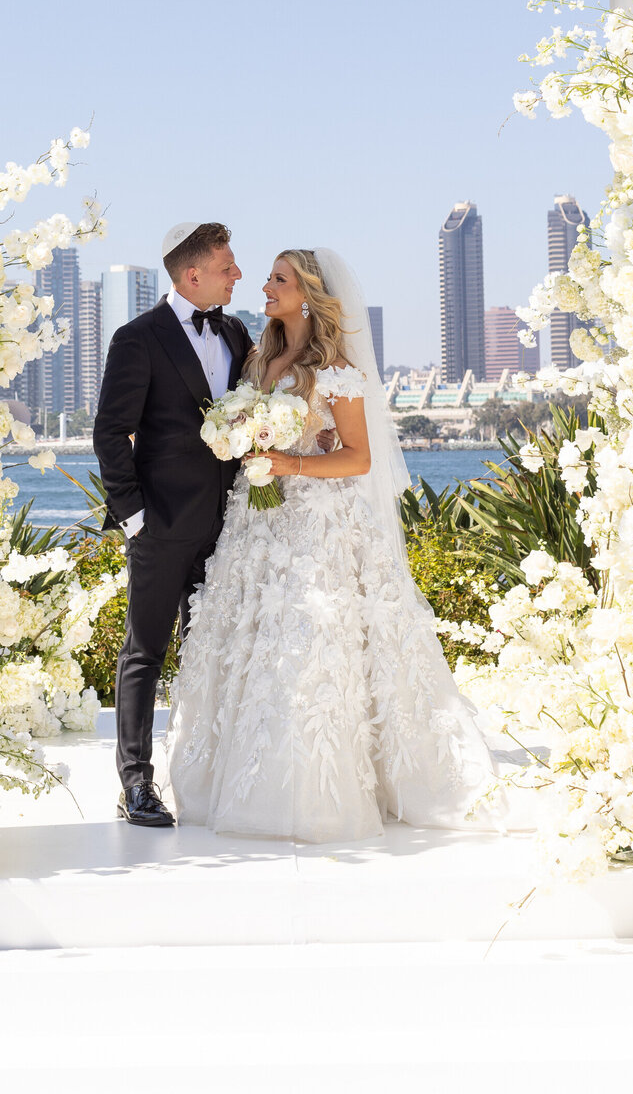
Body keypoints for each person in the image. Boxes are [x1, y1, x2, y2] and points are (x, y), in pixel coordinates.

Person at [166, 247, 496, 844]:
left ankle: (321, 787)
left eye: (278, 279)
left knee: (312, 647)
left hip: (315, 528)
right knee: (254, 643)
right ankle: (238, 776)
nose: (263, 286)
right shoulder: (257, 360)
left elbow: (358, 457)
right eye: (266, 277)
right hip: (256, 526)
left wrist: (287, 462)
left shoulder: (336, 370)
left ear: (310, 294)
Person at [93, 222, 252, 827]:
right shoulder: (138, 338)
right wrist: (133, 517)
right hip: (160, 526)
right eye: (227, 265)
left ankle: (207, 773)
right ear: (193, 275)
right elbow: (111, 431)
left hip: (227, 528)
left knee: (209, 651)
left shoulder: (236, 331)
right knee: (145, 653)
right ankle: (135, 784)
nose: (237, 274)